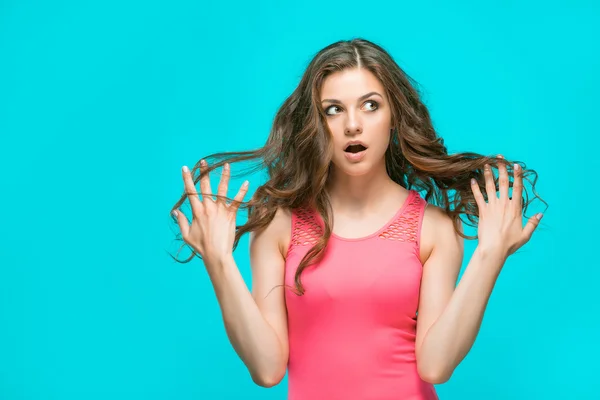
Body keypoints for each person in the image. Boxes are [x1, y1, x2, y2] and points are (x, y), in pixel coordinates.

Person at [169, 38, 545, 399]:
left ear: (394, 116)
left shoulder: (433, 228)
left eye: (370, 105)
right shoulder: (278, 224)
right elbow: (267, 370)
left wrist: (490, 254)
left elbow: (436, 367)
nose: (353, 125)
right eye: (333, 109)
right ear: (316, 124)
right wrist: (218, 262)